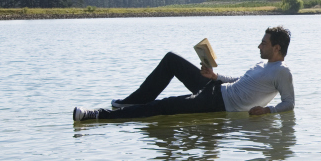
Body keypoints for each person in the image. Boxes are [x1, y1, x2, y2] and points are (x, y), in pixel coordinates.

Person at [73, 26, 294, 121]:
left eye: (263, 43)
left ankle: (97, 115)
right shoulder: (261, 65)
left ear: (276, 48)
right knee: (172, 59)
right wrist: (214, 76)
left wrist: (268, 111)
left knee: (163, 106)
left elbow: (289, 103)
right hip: (215, 88)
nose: (259, 46)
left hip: (218, 103)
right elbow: (238, 81)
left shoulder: (282, 72)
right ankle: (130, 104)